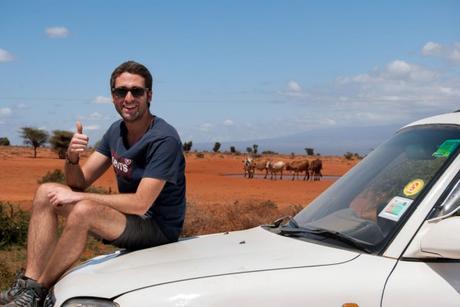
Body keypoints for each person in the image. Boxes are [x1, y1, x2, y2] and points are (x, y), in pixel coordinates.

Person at [0, 61, 186, 306]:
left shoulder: (164, 139)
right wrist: (72, 158)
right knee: (46, 191)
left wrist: (79, 198)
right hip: (129, 219)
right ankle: (28, 283)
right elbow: (79, 182)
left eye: (136, 91)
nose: (128, 98)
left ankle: (39, 293)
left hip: (158, 228)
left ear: (149, 95)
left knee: (84, 210)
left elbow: (141, 204)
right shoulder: (116, 131)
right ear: (113, 98)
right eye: (121, 92)